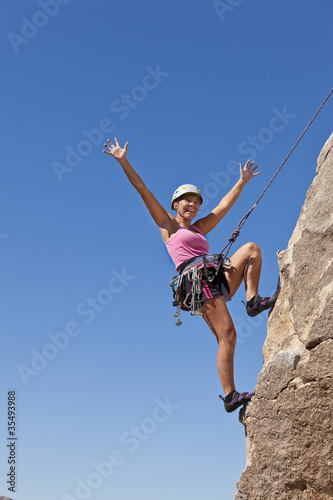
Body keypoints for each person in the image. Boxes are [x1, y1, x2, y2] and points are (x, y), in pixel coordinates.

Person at [103, 138, 277, 413]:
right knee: (228, 335)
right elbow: (142, 189)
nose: (193, 205)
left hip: (214, 275)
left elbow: (222, 207)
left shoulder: (199, 228)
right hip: (196, 282)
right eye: (187, 200)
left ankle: (253, 300)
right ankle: (230, 395)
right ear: (175, 204)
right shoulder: (168, 225)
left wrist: (242, 182)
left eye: (196, 202)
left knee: (252, 250)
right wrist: (124, 161)